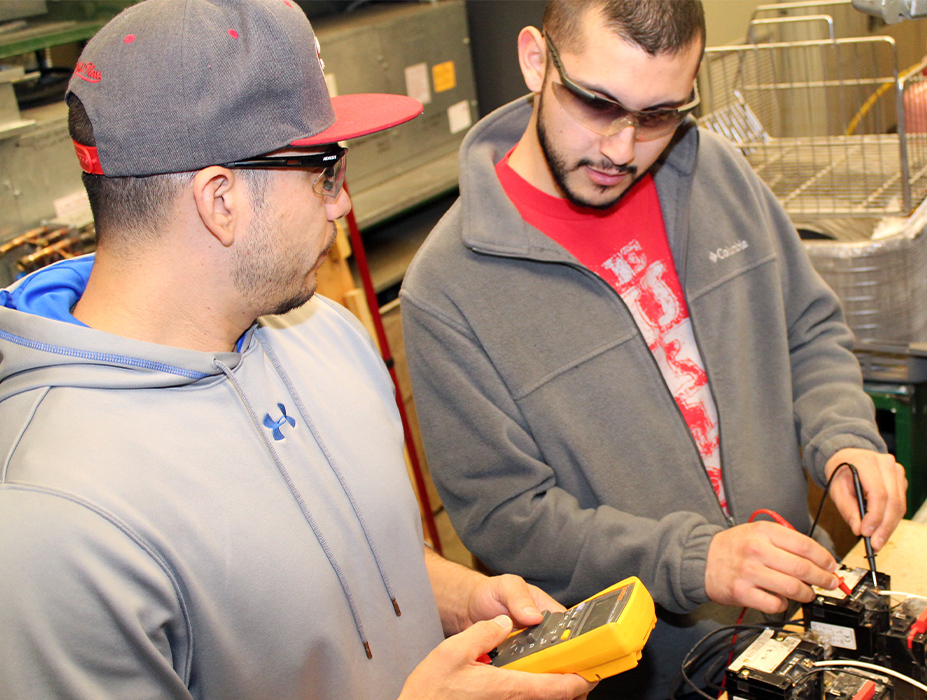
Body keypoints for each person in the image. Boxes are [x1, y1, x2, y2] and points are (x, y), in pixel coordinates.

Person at [0, 2, 594, 699]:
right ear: (220, 200)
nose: (343, 204)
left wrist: (464, 600)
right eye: (326, 171)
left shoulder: (324, 334)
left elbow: (348, 566)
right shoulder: (51, 521)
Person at [399, 0, 908, 697]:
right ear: (535, 60)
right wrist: (692, 560)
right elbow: (508, 521)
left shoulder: (715, 175)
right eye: (597, 104)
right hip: (650, 675)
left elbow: (807, 331)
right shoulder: (449, 288)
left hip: (798, 624)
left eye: (660, 115)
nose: (621, 149)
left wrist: (844, 438)